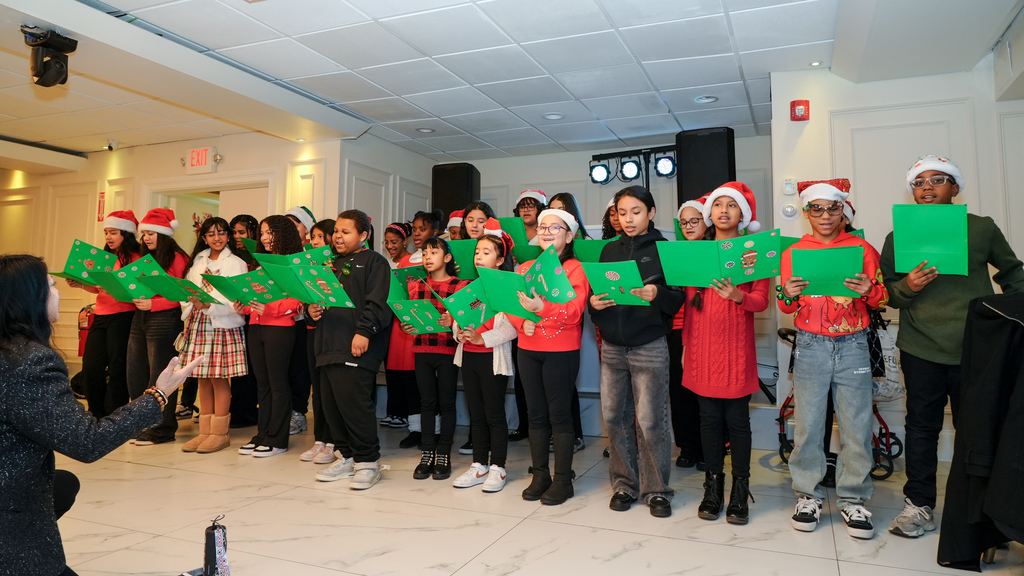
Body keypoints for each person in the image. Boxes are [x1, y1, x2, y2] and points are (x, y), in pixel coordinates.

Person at [0, 254, 204, 576]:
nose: (59, 293)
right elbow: (87, 442)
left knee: (63, 484)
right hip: (9, 501)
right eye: (51, 286)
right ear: (28, 298)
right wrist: (158, 394)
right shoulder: (30, 362)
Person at [880, 155, 1024, 537]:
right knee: (921, 427)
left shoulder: (981, 228)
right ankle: (919, 505)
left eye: (938, 180)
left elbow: (1013, 274)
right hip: (920, 346)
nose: (927, 187)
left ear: (955, 188)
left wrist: (1013, 320)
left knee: (976, 430)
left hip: (976, 349)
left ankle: (976, 511)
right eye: (919, 182)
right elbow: (888, 295)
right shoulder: (898, 236)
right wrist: (907, 287)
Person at [779, 180, 889, 539]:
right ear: (807, 212)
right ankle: (807, 496)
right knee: (809, 424)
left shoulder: (862, 248)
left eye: (833, 208)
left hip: (854, 343)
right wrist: (789, 294)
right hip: (810, 344)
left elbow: (882, 298)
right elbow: (783, 303)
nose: (825, 215)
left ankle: (853, 498)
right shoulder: (793, 252)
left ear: (844, 210)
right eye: (817, 208)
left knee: (856, 425)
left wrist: (869, 291)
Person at [589, 186, 686, 518]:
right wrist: (594, 304)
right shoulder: (608, 251)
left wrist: (655, 293)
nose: (628, 219)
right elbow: (597, 300)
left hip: (650, 347)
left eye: (635, 212)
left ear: (651, 213)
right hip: (613, 348)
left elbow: (677, 300)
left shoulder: (665, 250)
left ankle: (657, 490)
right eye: (622, 212)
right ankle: (623, 484)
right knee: (615, 417)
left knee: (650, 421)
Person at [684, 182, 770, 525]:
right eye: (717, 205)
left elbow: (762, 301)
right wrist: (687, 348)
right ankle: (713, 487)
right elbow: (690, 306)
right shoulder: (697, 251)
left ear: (742, 215)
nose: (723, 210)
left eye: (730, 206)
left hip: (736, 350)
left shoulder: (755, 252)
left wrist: (738, 296)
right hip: (702, 349)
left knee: (738, 423)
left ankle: (740, 489)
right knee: (708, 420)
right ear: (710, 214)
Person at [508, 209, 590, 505]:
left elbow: (575, 312)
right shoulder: (524, 266)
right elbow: (511, 306)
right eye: (543, 227)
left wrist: (541, 309)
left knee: (559, 416)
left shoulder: (575, 269)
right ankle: (540, 475)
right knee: (535, 415)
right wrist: (521, 322)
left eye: (555, 228)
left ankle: (563, 480)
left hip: (562, 352)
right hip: (529, 350)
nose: (546, 231)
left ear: (569, 236)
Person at [308, 210, 393, 489]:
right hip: (326, 344)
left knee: (355, 406)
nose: (338, 237)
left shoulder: (375, 262)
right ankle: (346, 456)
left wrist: (363, 332)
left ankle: (368, 462)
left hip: (357, 345)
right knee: (332, 407)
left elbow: (378, 305)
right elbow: (313, 300)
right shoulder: (327, 264)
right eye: (337, 232)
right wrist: (311, 311)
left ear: (364, 235)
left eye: (346, 232)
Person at [450, 220, 518, 493]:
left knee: (494, 414)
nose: (479, 256)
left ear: (500, 259)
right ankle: (480, 464)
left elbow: (511, 328)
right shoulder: (468, 287)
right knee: (476, 414)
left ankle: (498, 467)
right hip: (469, 357)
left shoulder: (507, 286)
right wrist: (459, 333)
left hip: (493, 358)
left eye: (487, 252)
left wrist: (483, 338)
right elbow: (459, 319)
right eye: (477, 251)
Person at [233, 215, 304, 458]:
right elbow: (255, 295)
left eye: (269, 232)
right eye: (262, 233)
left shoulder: (291, 262)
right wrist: (244, 306)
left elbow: (298, 301)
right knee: (261, 384)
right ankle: (263, 434)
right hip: (256, 325)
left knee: (277, 383)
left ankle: (278, 438)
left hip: (280, 327)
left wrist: (271, 309)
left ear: (282, 235)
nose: (263, 238)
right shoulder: (259, 262)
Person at [179, 216, 249, 454]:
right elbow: (186, 291)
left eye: (221, 233)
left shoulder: (237, 263)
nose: (217, 238)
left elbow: (238, 299)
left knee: (219, 379)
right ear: (204, 237)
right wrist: (191, 302)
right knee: (201, 378)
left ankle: (220, 433)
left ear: (228, 236)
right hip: (199, 322)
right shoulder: (198, 261)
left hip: (222, 324)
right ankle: (205, 432)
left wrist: (210, 306)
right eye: (211, 234)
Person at [64, 210, 141, 419]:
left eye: (113, 232)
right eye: (106, 232)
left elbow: (135, 293)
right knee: (91, 365)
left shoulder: (137, 258)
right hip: (101, 316)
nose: (108, 236)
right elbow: (99, 289)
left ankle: (115, 413)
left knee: (118, 367)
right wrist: (81, 284)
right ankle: (95, 411)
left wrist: (112, 287)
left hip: (123, 317)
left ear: (126, 233)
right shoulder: (105, 257)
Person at [404, 237, 469, 481]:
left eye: (434, 251)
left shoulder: (459, 286)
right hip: (422, 349)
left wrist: (452, 321)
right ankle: (427, 452)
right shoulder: (416, 287)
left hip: (449, 351)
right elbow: (410, 318)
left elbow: (468, 319)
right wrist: (408, 326)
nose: (428, 256)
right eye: (424, 252)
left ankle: (444, 453)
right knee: (426, 402)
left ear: (448, 258)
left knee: (447, 402)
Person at [128, 208, 190, 446]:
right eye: (144, 234)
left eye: (152, 233)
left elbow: (182, 294)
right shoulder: (146, 258)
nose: (147, 238)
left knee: (159, 376)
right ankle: (139, 425)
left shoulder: (177, 257)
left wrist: (153, 304)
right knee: (136, 373)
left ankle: (162, 429)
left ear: (164, 234)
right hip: (140, 317)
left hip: (165, 320)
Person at [670, 196, 709, 469]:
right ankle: (686, 447)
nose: (688, 226)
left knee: (705, 393)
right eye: (684, 222)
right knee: (679, 391)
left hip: (706, 330)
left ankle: (709, 448)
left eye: (694, 220)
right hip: (675, 329)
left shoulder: (717, 251)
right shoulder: (677, 253)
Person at [300, 219, 340, 465]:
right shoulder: (309, 266)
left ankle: (334, 440)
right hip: (314, 331)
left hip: (335, 333)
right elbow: (305, 299)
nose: (313, 241)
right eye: (312, 237)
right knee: (318, 388)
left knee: (332, 390)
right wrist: (308, 308)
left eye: (318, 237)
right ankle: (320, 440)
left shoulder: (340, 265)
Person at [381, 222, 417, 439]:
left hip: (405, 316)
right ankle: (394, 411)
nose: (390, 246)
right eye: (386, 243)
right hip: (389, 317)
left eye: (394, 242)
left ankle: (405, 413)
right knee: (391, 365)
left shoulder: (411, 262)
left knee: (407, 367)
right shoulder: (383, 262)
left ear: (405, 241)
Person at [226, 214, 260, 428]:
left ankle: (248, 411)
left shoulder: (258, 255)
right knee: (238, 367)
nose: (237, 237)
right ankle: (237, 410)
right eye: (235, 233)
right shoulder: (231, 256)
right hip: (235, 314)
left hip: (255, 315)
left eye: (242, 232)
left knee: (252, 368)